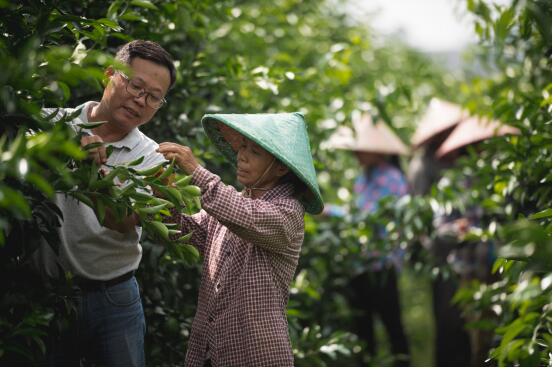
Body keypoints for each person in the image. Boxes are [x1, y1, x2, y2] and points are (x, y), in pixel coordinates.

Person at [39, 40, 176, 366]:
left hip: (113, 297)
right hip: (43, 294)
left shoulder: (154, 160)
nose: (140, 100)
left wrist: (94, 173)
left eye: (154, 97)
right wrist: (67, 144)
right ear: (109, 75)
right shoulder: (49, 124)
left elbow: (122, 221)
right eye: (135, 85)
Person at [156, 112, 323, 366]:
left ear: (280, 167)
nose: (241, 156)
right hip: (209, 350)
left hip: (255, 355)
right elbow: (186, 231)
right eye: (242, 147)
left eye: (255, 152)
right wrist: (160, 190)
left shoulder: (288, 213)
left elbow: (243, 215)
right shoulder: (235, 202)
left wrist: (195, 171)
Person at [324, 113, 411, 365]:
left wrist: (330, 212)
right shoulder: (364, 177)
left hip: (381, 264)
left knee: (392, 326)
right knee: (363, 329)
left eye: (360, 148)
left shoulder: (391, 178)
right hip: (360, 263)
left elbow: (368, 219)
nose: (355, 154)